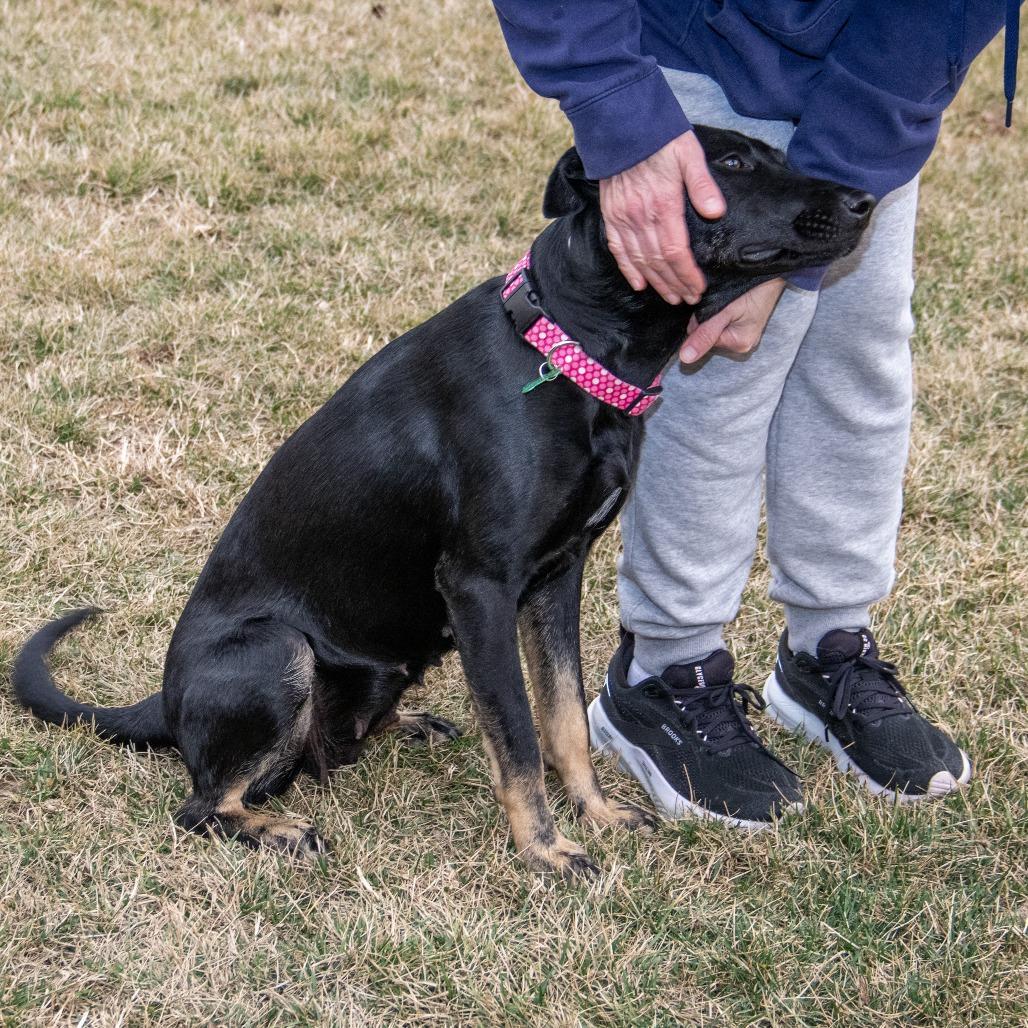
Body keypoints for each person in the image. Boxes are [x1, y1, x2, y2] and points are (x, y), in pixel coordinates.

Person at [491, 1, 1017, 827]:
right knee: (718, 359)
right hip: (693, 51)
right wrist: (620, 115)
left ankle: (828, 649)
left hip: (873, 51)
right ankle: (666, 671)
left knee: (857, 341)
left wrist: (825, 211)